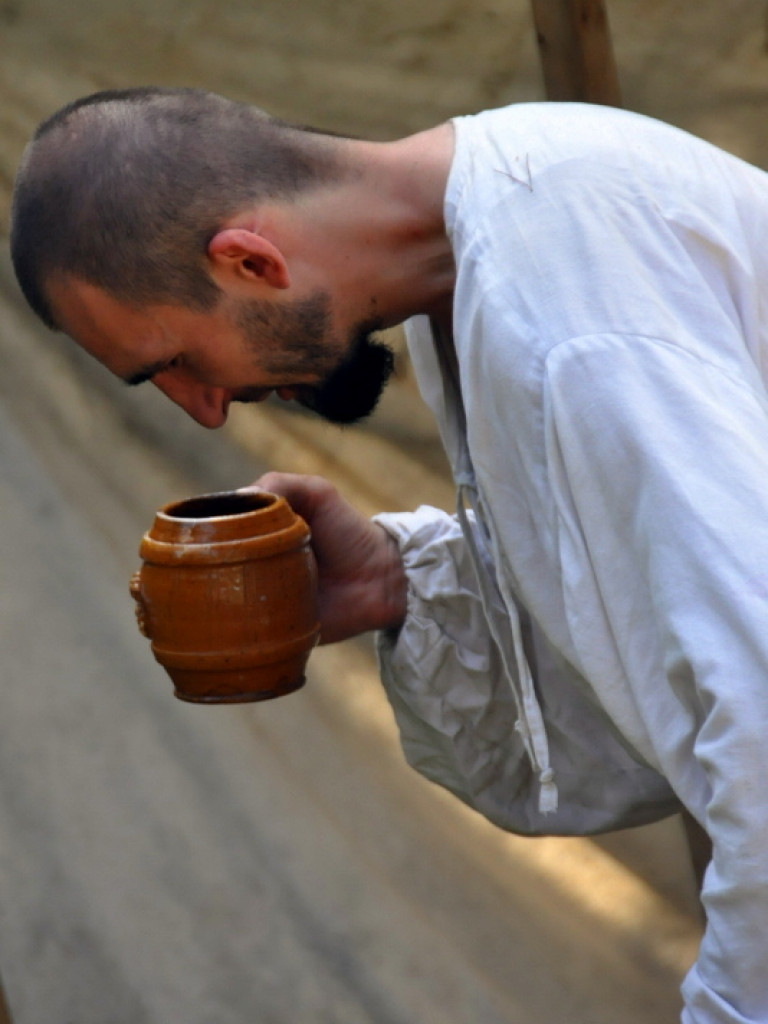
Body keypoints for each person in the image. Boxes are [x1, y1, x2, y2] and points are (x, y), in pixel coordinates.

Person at [10, 86, 768, 1023]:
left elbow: (759, 731)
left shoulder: (565, 319)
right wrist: (396, 578)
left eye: (173, 359)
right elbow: (654, 641)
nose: (201, 408)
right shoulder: (490, 235)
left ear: (250, 259)